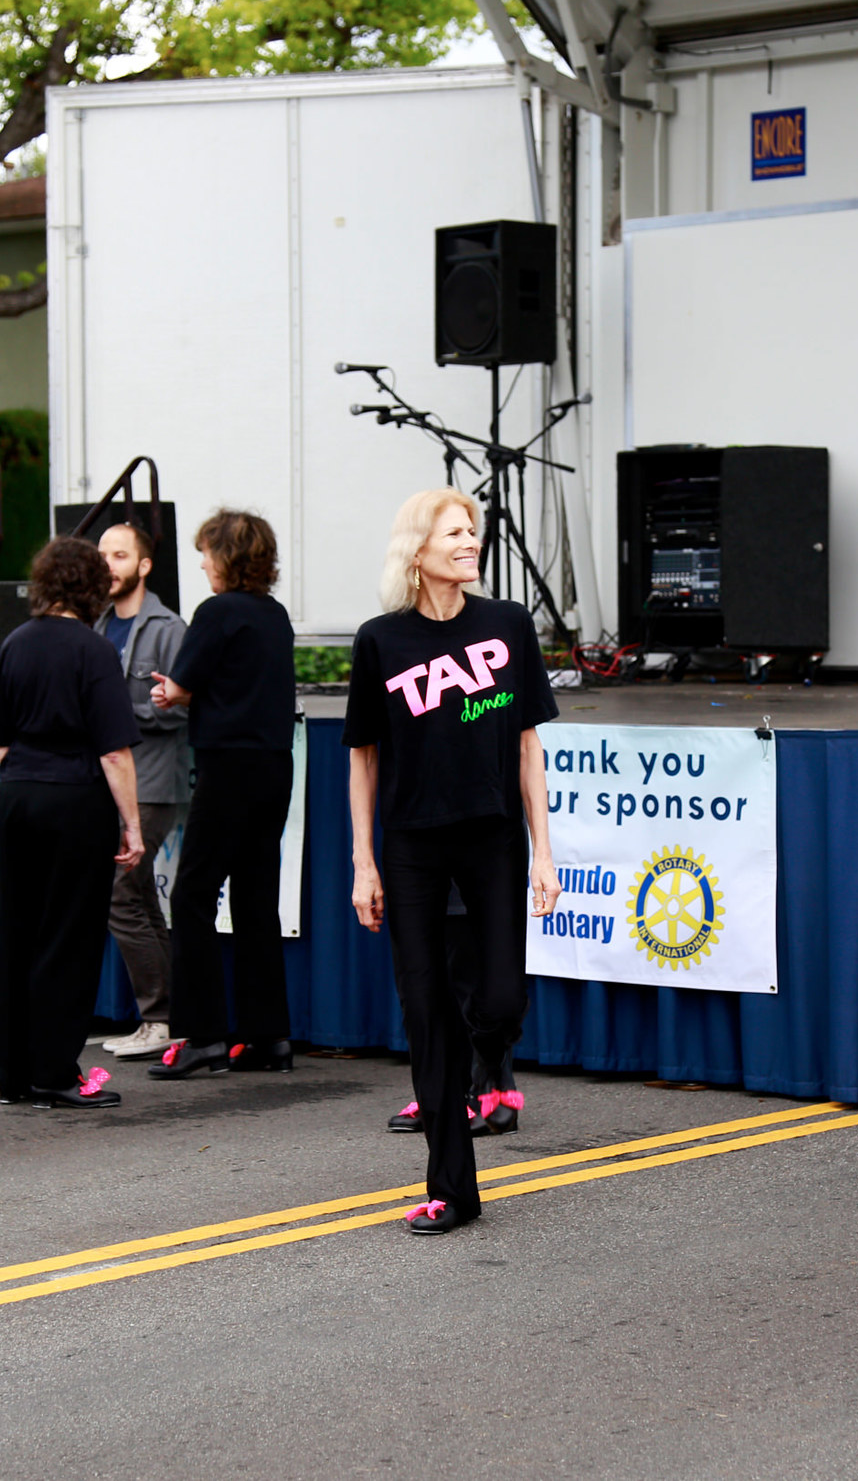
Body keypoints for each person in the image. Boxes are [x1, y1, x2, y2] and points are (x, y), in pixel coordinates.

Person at [345, 488, 562, 1235]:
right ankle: (451, 1188)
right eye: (456, 531)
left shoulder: (507, 625)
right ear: (420, 549)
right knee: (424, 1011)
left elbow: (530, 747)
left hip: (494, 838)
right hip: (410, 848)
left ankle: (487, 1068)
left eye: (474, 530)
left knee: (499, 999)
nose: (471, 541)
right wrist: (361, 863)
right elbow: (363, 760)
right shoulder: (381, 640)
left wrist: (545, 851)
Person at [0, 536, 146, 1108]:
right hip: (76, 798)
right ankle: (54, 1070)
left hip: (19, 793)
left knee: (20, 931)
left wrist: (28, 773)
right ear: (92, 588)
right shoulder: (94, 651)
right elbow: (114, 753)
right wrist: (132, 825)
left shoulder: (14, 643)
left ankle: (16, 1076)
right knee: (68, 936)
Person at [143, 510, 300, 1082]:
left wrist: (168, 692)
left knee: (192, 896)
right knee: (257, 899)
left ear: (227, 558)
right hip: (274, 765)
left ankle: (204, 1035)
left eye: (208, 553)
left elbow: (181, 687)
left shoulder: (215, 612)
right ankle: (268, 1037)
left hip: (227, 764)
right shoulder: (275, 615)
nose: (203, 563)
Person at [95, 521, 187, 1060]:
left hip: (152, 781)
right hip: (112, 781)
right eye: (103, 554)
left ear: (144, 565)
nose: (108, 564)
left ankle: (159, 1018)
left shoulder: (169, 627)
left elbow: (179, 710)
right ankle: (171, 1015)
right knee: (140, 897)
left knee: (122, 893)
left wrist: (111, 715)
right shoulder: (99, 622)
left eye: (120, 555)